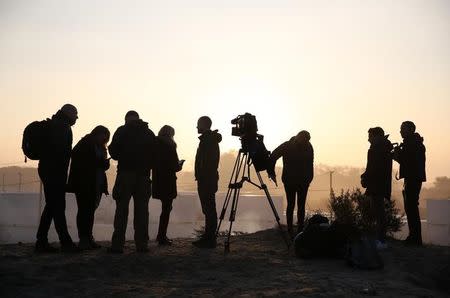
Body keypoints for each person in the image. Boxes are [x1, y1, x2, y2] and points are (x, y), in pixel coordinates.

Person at [108, 111, 156, 253]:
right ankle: (142, 244)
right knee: (142, 211)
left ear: (126, 119)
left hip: (125, 174)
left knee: (121, 210)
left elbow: (114, 152)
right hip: (144, 176)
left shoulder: (122, 131)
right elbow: (155, 154)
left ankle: (117, 245)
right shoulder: (149, 133)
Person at [35, 104, 79, 253]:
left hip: (47, 170)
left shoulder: (55, 124)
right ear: (69, 114)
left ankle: (41, 241)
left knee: (52, 206)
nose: (77, 117)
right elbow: (60, 153)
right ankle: (64, 242)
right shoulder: (63, 127)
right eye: (75, 114)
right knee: (58, 207)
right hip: (55, 172)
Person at [67, 125, 110, 250]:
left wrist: (104, 164)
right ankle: (84, 239)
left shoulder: (99, 146)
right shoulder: (85, 144)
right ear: (97, 134)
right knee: (84, 211)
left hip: (96, 184)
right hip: (84, 184)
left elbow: (101, 165)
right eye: (104, 136)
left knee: (89, 212)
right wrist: (100, 163)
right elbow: (81, 161)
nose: (105, 139)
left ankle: (88, 238)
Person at [269, 130, 314, 236]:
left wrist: (309, 178)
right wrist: (271, 172)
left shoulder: (308, 146)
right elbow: (273, 156)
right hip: (290, 181)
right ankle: (291, 230)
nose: (305, 142)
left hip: (302, 181)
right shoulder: (288, 145)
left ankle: (300, 231)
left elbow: (310, 163)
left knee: (300, 205)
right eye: (304, 140)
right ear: (299, 138)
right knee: (291, 204)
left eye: (307, 140)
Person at [393, 121, 426, 246]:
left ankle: (415, 239)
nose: (400, 131)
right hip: (412, 178)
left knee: (411, 208)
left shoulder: (412, 144)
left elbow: (407, 161)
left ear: (410, 130)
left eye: (403, 129)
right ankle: (414, 237)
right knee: (410, 208)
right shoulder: (414, 143)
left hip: (412, 178)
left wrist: (397, 155)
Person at [360, 127, 393, 250]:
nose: (368, 138)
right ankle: (380, 239)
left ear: (376, 136)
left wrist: (365, 178)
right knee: (379, 212)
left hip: (376, 184)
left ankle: (381, 240)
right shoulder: (385, 147)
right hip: (381, 183)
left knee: (379, 212)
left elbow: (372, 167)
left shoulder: (376, 149)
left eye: (370, 136)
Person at [192, 116, 222, 248]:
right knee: (208, 209)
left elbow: (207, 162)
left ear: (203, 125)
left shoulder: (207, 141)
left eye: (198, 124)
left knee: (209, 209)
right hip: (208, 178)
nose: (197, 127)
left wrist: (202, 176)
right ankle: (209, 237)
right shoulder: (209, 140)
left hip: (206, 180)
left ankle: (209, 239)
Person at [152, 125, 184, 246]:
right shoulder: (170, 146)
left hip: (158, 181)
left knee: (165, 209)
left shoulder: (155, 145)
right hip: (168, 181)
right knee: (166, 209)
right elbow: (174, 167)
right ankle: (161, 236)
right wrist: (180, 164)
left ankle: (160, 235)